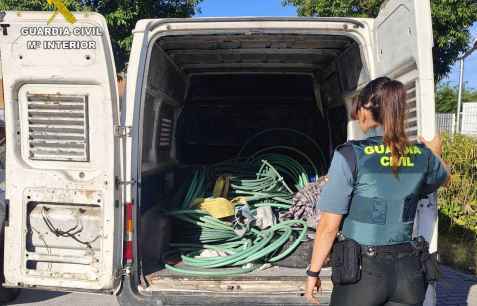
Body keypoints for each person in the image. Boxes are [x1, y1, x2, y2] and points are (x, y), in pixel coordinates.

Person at [304, 77, 449, 306]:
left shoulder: (350, 155)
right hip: (409, 275)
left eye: (358, 107)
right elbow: (443, 178)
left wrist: (313, 273)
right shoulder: (423, 156)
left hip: (363, 277)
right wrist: (435, 153)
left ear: (365, 109)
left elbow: (328, 226)